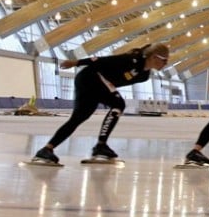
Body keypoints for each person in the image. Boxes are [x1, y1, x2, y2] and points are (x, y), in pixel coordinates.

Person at [31, 43, 170, 164]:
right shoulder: (132, 60)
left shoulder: (144, 76)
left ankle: (47, 149)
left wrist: (107, 93)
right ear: (154, 57)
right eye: (164, 60)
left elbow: (114, 82)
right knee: (118, 104)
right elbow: (102, 61)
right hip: (90, 77)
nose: (166, 64)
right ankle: (101, 146)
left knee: (79, 117)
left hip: (96, 84)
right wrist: (76, 63)